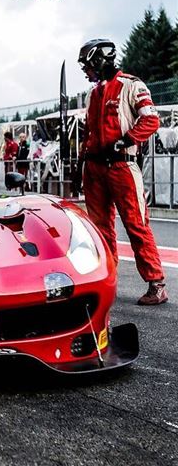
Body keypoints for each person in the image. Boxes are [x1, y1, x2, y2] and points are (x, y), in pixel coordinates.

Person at [78, 38, 167, 305]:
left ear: (99, 60)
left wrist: (126, 139)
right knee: (100, 229)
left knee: (136, 224)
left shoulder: (132, 84)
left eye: (87, 64)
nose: (85, 70)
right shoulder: (93, 94)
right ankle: (107, 280)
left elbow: (151, 119)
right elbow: (89, 133)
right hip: (93, 168)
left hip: (122, 165)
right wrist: (80, 163)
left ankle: (157, 284)